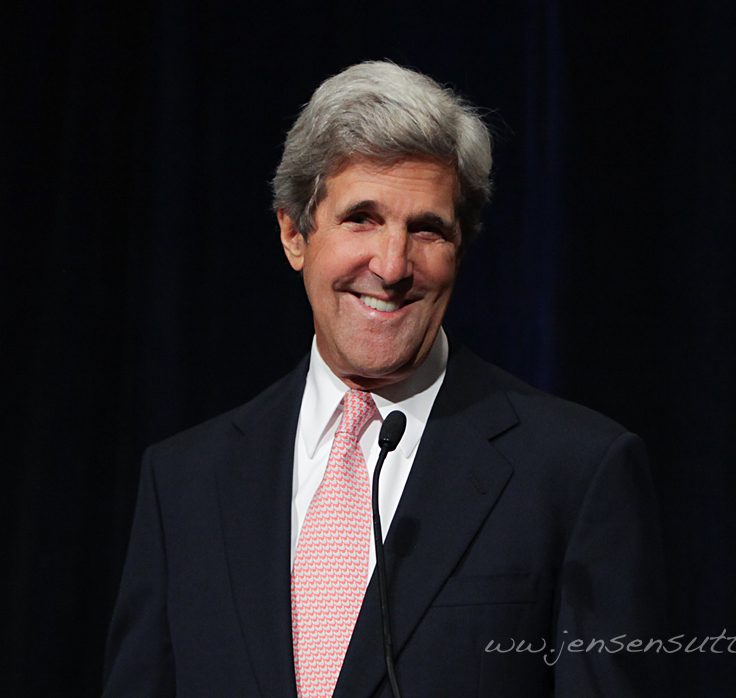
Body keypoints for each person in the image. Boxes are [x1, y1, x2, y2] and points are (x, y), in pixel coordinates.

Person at [104, 61, 665, 695]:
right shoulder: (184, 484)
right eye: (361, 219)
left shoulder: (576, 473)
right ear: (295, 234)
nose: (393, 265)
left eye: (427, 229)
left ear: (462, 249)